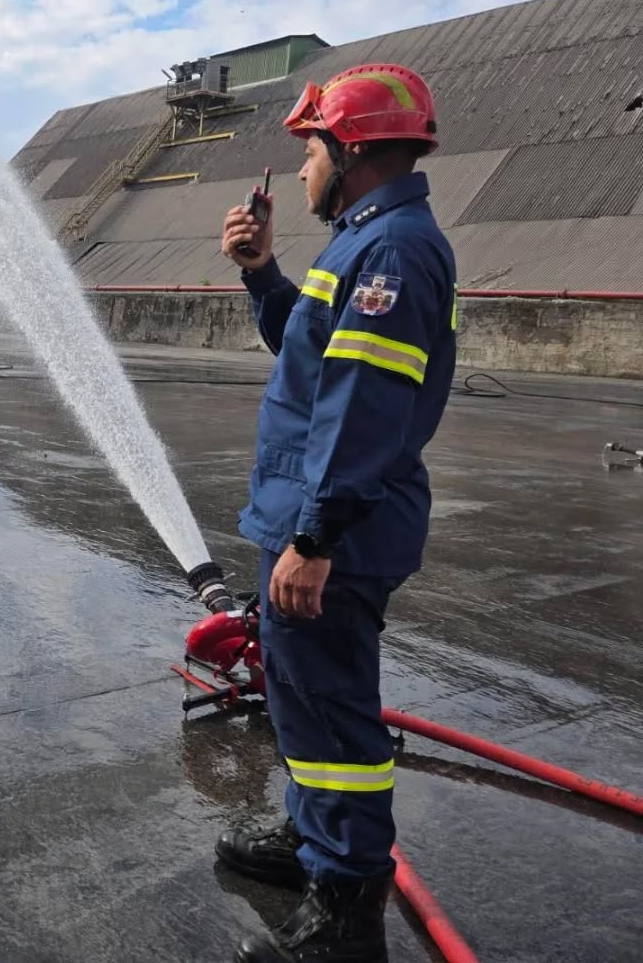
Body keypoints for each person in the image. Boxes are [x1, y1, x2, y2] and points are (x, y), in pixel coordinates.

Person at [215, 64, 457, 963]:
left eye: (311, 150)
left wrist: (315, 540)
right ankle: (313, 837)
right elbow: (309, 359)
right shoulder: (362, 241)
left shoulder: (390, 251)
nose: (303, 171)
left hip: (334, 529)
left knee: (334, 714)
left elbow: (363, 410)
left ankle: (346, 903)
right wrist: (263, 274)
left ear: (348, 151)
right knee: (304, 703)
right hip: (311, 515)